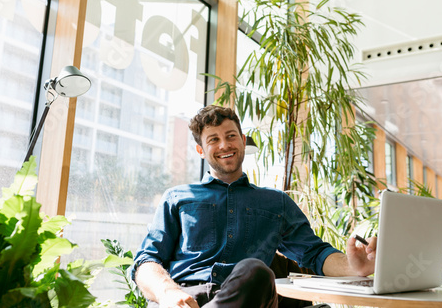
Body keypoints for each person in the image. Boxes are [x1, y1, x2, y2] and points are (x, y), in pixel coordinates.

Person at [131, 105, 376, 308]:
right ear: (201, 150)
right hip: (187, 300)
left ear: (242, 140)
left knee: (255, 271)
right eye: (213, 139)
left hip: (252, 296)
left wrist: (352, 266)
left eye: (230, 136)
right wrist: (167, 293)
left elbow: (314, 253)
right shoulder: (177, 198)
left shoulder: (276, 202)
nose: (224, 145)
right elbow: (146, 261)